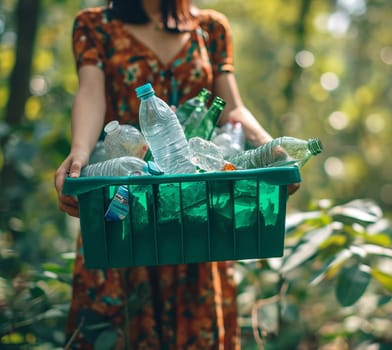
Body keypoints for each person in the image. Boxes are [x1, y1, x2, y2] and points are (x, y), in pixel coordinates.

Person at [54, 0, 299, 348]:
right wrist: (78, 156)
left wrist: (271, 148)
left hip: (198, 217)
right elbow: (90, 93)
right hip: (125, 213)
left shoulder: (211, 29)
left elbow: (232, 107)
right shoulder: (95, 25)